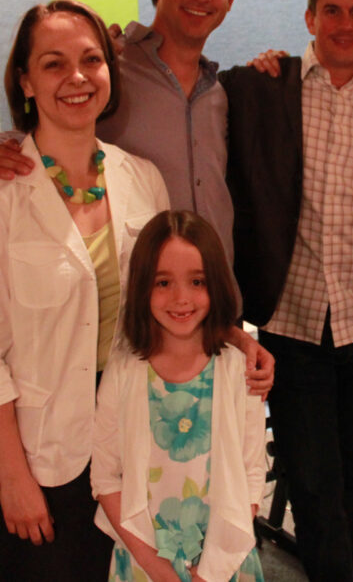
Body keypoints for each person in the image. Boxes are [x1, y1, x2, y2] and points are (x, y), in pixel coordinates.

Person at [0, 0, 273, 393]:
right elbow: (37, 135)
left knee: (195, 459)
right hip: (135, 319)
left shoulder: (221, 92)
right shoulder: (106, 70)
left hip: (211, 307)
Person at [0, 0, 170, 580]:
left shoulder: (142, 179)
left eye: (90, 60)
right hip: (38, 449)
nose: (76, 78)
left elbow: (169, 308)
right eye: (53, 64)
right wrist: (13, 478)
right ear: (25, 81)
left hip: (130, 434)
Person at [218, 0, 353, 581]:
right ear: (310, 16)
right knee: (312, 479)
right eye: (332, 10)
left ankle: (346, 566)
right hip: (294, 322)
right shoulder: (263, 87)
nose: (345, 24)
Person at [92, 210, 265, 582]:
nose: (181, 298)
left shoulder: (238, 371)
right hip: (144, 564)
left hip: (224, 563)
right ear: (142, 287)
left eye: (197, 281)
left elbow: (252, 475)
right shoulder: (124, 370)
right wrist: (158, 570)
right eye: (163, 282)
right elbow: (106, 479)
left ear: (215, 284)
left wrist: (211, 572)